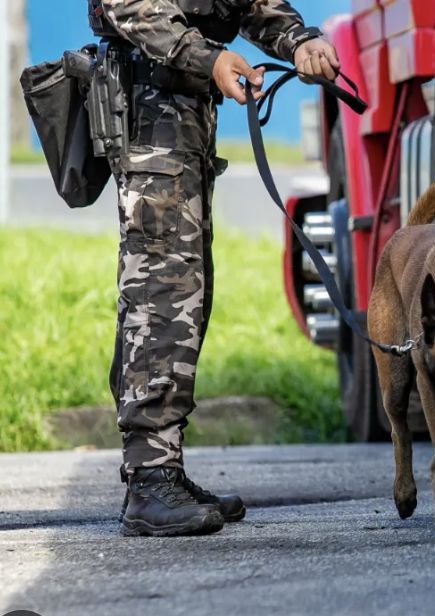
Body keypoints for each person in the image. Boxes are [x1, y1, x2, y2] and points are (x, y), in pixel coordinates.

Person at [90, 0, 340, 536]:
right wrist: (210, 59)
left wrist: (297, 39)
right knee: (161, 293)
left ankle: (164, 471)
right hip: (147, 112)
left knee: (187, 292)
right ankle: (149, 481)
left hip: (185, 117)